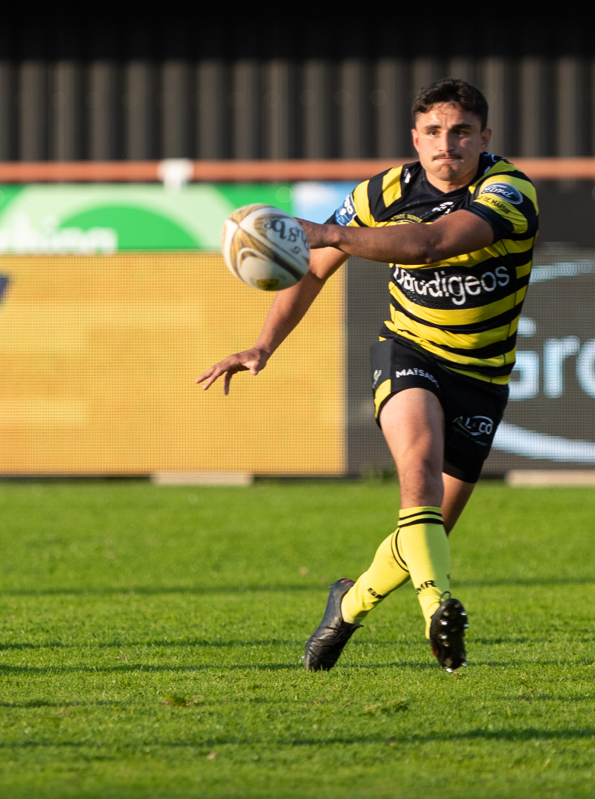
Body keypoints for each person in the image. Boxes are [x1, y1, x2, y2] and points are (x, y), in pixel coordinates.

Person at [196, 78, 538, 673]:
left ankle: (345, 607)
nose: (446, 145)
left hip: (481, 377)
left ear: (485, 137)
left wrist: (331, 232)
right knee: (418, 475)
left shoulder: (509, 190)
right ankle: (438, 611)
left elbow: (434, 244)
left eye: (460, 133)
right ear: (415, 137)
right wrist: (263, 345)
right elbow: (313, 269)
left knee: (420, 536)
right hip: (409, 352)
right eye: (433, 132)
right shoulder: (382, 191)